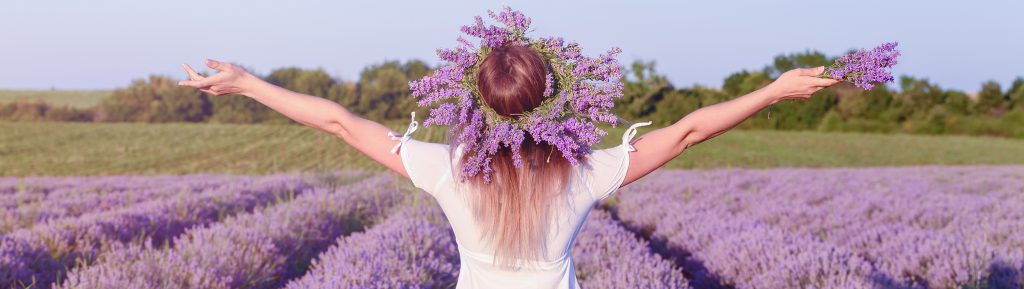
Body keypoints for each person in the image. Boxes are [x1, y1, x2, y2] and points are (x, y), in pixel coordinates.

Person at [178, 50, 839, 288]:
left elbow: (337, 122)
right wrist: (774, 91)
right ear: (552, 100)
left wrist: (249, 84)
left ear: (478, 102)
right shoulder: (586, 171)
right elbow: (689, 129)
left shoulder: (450, 167)